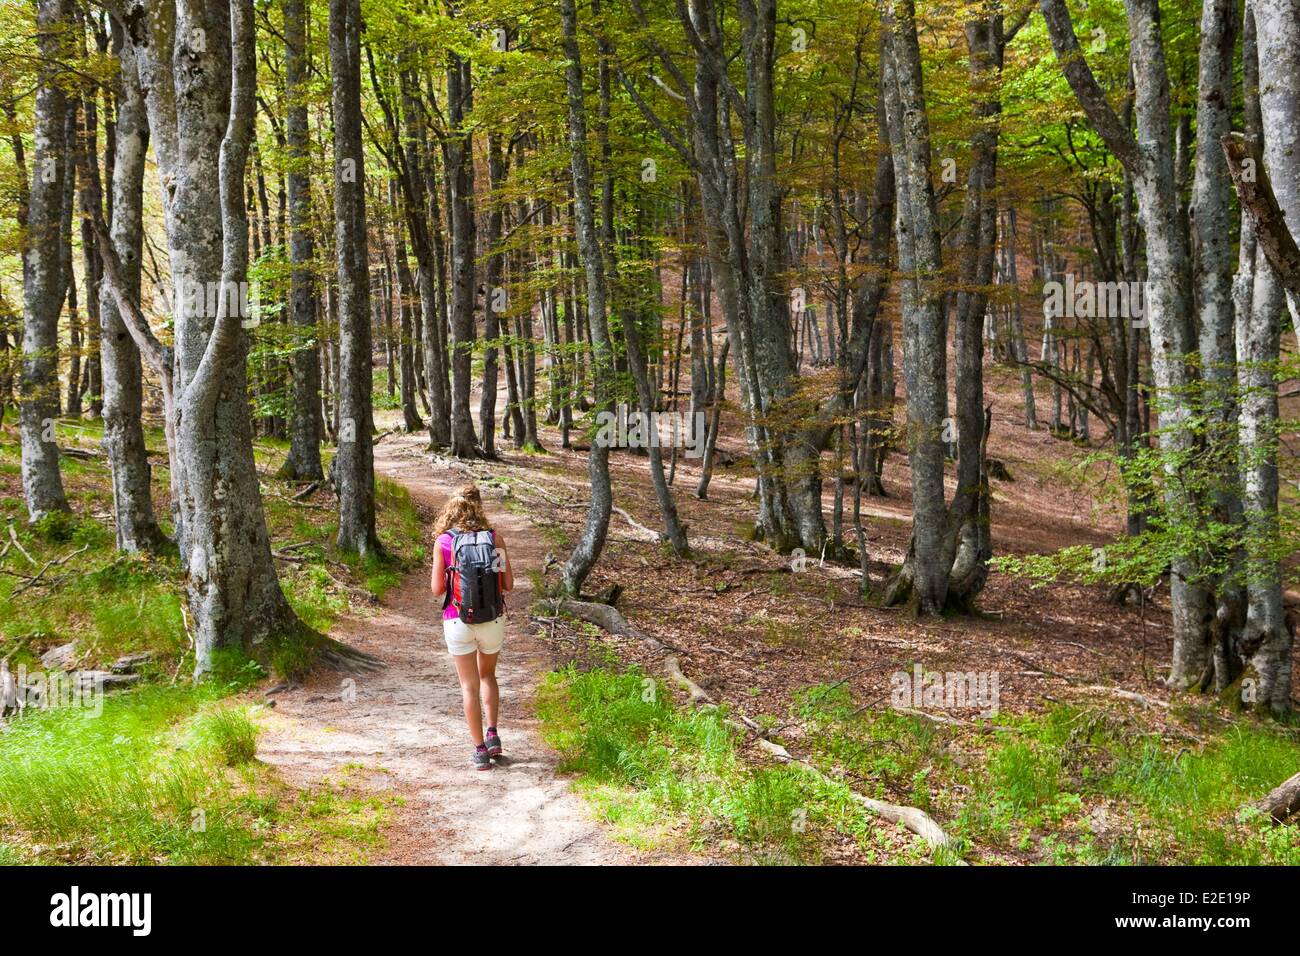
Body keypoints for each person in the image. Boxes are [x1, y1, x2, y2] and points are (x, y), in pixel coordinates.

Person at [430, 484, 514, 771]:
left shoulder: (443, 542)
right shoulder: (495, 539)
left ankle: (479, 751)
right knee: (488, 675)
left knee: (469, 685)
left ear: (452, 509)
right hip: (491, 618)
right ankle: (493, 736)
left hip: (457, 619)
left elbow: (436, 589)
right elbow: (508, 585)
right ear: (480, 507)